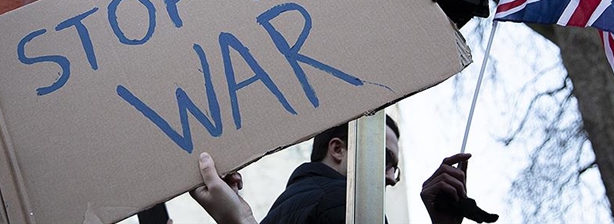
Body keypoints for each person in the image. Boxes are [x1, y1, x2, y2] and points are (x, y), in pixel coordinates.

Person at [190, 116, 498, 224]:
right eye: (384, 158)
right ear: (338, 149)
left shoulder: (291, 204)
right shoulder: (346, 203)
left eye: (395, 169)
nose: (390, 177)